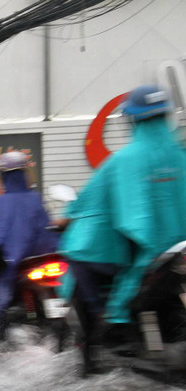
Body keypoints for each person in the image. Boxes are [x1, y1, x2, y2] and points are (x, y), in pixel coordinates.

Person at [58, 84, 186, 346]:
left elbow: (90, 202)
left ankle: (107, 324)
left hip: (144, 254)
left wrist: (67, 216)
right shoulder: (179, 156)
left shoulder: (123, 160)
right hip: (174, 254)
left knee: (77, 255)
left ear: (132, 119)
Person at [0, 150, 59, 338]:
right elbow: (47, 225)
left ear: (4, 176)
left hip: (12, 264)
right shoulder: (36, 198)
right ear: (24, 173)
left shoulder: (0, 203)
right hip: (40, 259)